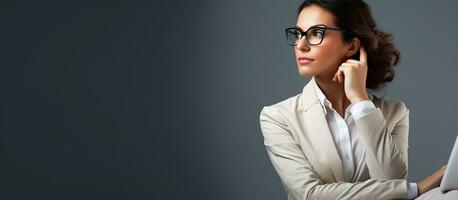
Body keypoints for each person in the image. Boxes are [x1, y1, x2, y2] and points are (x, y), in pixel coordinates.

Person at [259, 0, 457, 199]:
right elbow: (310, 194)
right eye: (298, 34)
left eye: (316, 33)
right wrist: (416, 188)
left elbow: (390, 183)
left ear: (351, 45)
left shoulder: (395, 113)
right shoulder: (278, 117)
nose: (300, 45)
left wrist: (360, 101)